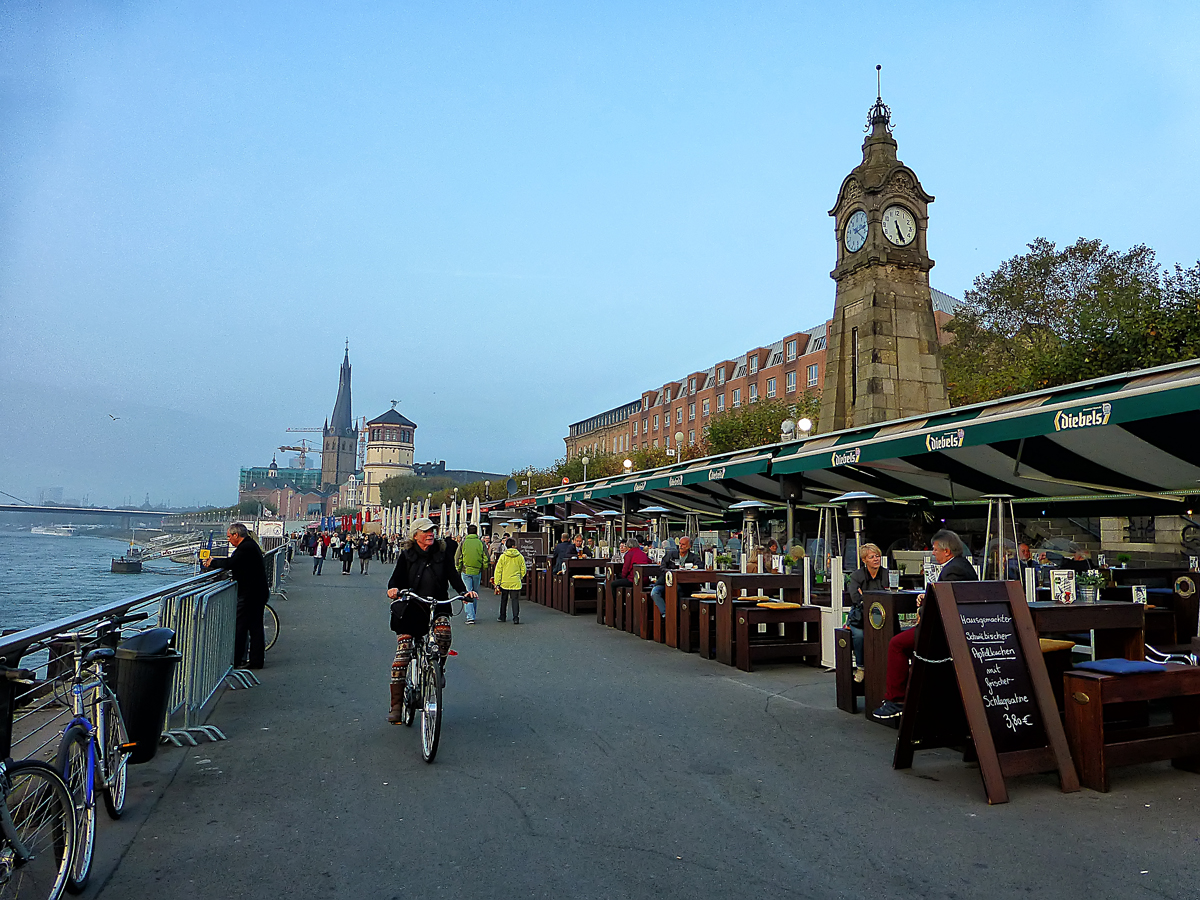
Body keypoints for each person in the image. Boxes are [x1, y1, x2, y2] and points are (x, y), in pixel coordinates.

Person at [872, 529, 978, 725]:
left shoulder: (954, 570)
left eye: (935, 549)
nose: (933, 553)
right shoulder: (960, 566)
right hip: (954, 627)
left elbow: (944, 605)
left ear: (947, 551)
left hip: (943, 631)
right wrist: (927, 598)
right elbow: (943, 597)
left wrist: (922, 610)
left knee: (897, 644)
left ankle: (896, 700)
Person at [385, 518, 478, 724]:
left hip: (438, 605)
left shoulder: (442, 554)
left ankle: (439, 668)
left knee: (444, 633)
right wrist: (393, 589)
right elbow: (395, 579)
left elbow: (453, 576)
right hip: (412, 607)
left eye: (432, 531)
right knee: (403, 653)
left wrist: (464, 592)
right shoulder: (407, 555)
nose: (431, 534)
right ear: (415, 535)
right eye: (426, 531)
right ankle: (397, 705)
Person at [202, 523, 270, 669]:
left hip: (250, 594)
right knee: (255, 627)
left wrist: (213, 562)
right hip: (257, 592)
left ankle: (238, 660)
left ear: (236, 535)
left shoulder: (245, 548)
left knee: (242, 627)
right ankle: (255, 660)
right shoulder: (250, 545)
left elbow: (232, 563)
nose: (228, 540)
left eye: (229, 536)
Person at [846, 543, 887, 684]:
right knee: (859, 636)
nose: (876, 559)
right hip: (860, 617)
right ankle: (861, 667)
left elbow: (890, 594)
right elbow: (855, 598)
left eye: (877, 556)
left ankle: (886, 667)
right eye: (871, 557)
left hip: (883, 615)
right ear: (864, 560)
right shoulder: (856, 576)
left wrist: (865, 596)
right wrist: (867, 599)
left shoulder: (887, 574)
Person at [650, 535, 702, 615]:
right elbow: (662, 567)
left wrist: (690, 568)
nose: (680, 546)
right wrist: (670, 572)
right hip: (665, 582)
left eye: (683, 544)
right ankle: (666, 614)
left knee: (677, 591)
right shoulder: (671, 554)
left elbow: (700, 566)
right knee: (655, 592)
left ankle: (677, 615)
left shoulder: (693, 557)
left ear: (689, 546)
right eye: (680, 544)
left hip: (683, 584)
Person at [455, 524, 489, 624]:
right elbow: (485, 557)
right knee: (475, 592)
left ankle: (470, 616)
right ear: (476, 532)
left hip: (466, 570)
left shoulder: (463, 542)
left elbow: (458, 557)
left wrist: (458, 569)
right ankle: (473, 612)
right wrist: (483, 567)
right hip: (477, 571)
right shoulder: (480, 543)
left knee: (468, 592)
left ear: (468, 532)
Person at [493, 538, 527, 624]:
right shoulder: (519, 556)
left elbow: (498, 570)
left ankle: (502, 616)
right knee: (515, 600)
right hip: (515, 581)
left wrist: (497, 582)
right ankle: (516, 618)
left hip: (504, 581)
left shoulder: (503, 556)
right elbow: (523, 569)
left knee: (504, 599)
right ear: (514, 546)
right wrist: (520, 577)